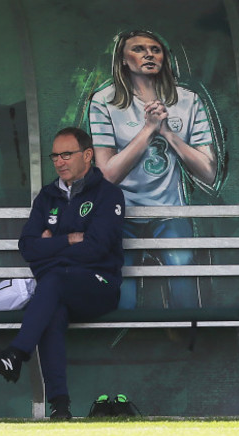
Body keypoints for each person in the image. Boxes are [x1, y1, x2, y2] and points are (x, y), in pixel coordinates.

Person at [0, 127, 124, 419]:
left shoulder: (108, 194)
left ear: (88, 155)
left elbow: (96, 249)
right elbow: (28, 247)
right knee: (52, 306)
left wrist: (50, 246)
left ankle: (16, 354)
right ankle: (60, 407)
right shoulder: (47, 196)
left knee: (52, 280)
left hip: (99, 286)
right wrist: (68, 239)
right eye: (55, 156)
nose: (59, 161)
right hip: (58, 289)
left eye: (66, 154)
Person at [88, 30, 217, 309]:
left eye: (156, 49)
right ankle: (126, 344)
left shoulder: (188, 100)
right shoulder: (104, 101)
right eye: (139, 49)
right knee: (123, 293)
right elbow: (108, 174)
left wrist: (169, 134)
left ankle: (187, 341)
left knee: (182, 275)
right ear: (122, 59)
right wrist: (148, 130)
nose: (149, 54)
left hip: (170, 211)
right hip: (120, 213)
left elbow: (208, 171)